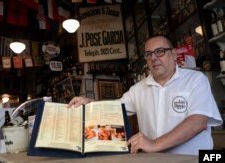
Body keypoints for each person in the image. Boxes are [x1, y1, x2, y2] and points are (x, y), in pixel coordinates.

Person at [67, 35, 223, 155]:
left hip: (192, 160)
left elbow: (198, 122)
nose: (154, 57)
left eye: (160, 51)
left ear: (174, 54)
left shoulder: (195, 79)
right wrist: (90, 103)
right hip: (154, 162)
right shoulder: (138, 89)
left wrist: (154, 144)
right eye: (148, 54)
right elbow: (114, 109)